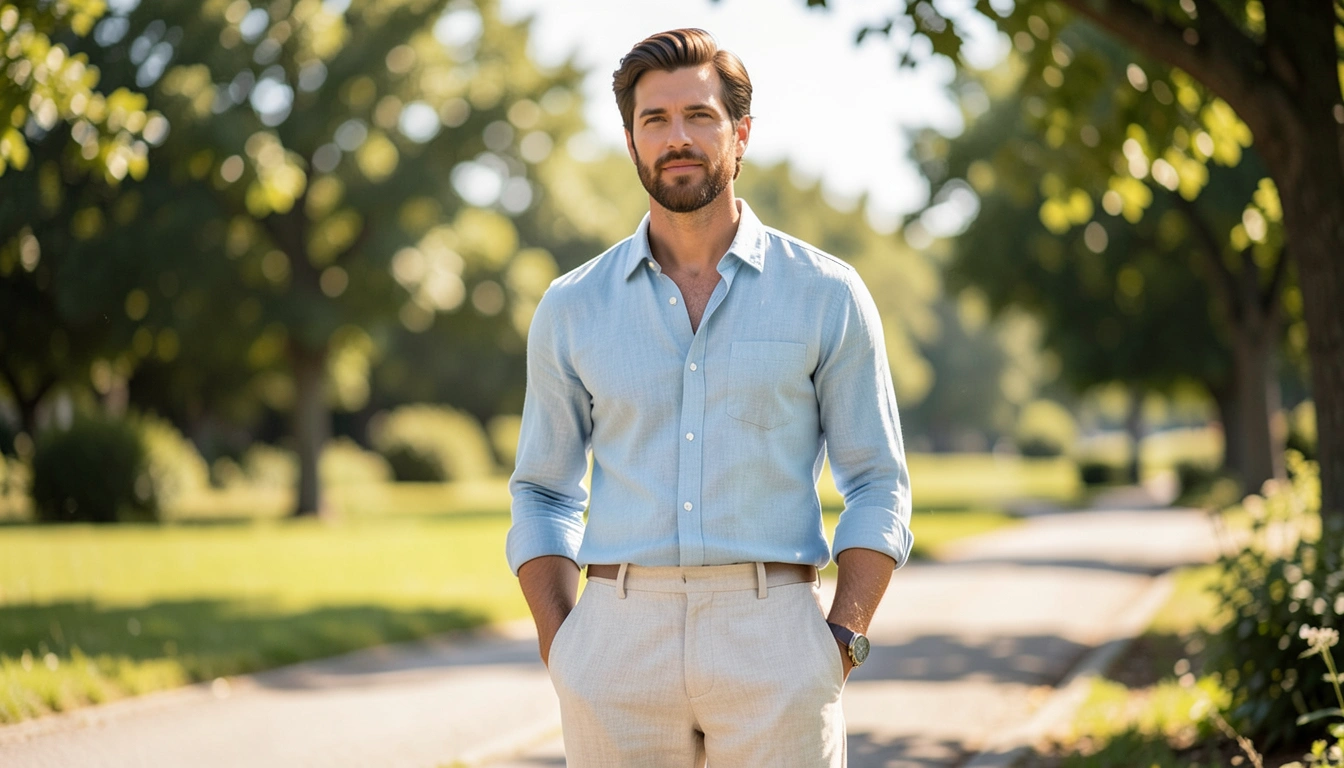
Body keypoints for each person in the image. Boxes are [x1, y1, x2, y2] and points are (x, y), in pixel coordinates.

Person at [505, 27, 912, 767]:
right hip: (616, 644)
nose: (677, 139)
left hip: (776, 636)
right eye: (654, 120)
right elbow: (541, 489)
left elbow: (878, 481)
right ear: (631, 140)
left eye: (699, 116)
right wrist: (562, 643)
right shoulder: (572, 306)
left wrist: (841, 639)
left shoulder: (826, 294)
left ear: (741, 132)